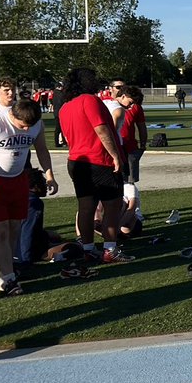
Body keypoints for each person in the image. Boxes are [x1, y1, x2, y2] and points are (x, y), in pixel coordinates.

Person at [0, 99, 58, 295]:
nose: (26, 129)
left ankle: (0, 275)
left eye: (30, 126)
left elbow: (42, 149)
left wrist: (50, 175)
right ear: (13, 115)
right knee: (0, 231)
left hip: (18, 180)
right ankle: (9, 279)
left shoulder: (36, 123)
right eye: (22, 126)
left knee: (13, 230)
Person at [58, 68, 130, 263]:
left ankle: (88, 248)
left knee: (86, 208)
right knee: (112, 206)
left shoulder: (65, 107)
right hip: (99, 160)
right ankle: (110, 250)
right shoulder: (89, 100)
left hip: (76, 161)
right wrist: (115, 155)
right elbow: (101, 129)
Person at [118, 86, 148, 183]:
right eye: (130, 103)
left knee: (130, 181)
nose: (130, 106)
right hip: (116, 146)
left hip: (130, 146)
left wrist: (143, 144)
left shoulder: (136, 107)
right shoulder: (108, 105)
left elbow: (142, 126)